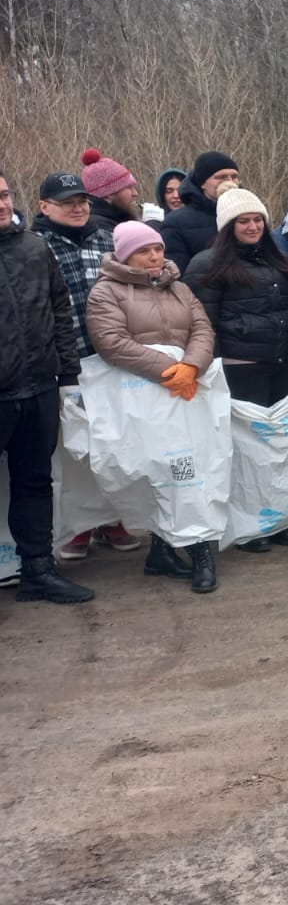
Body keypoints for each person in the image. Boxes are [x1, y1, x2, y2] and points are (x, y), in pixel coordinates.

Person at [85, 221, 220, 593]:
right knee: (162, 470)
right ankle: (185, 548)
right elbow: (110, 341)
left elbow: (202, 329)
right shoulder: (106, 293)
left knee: (190, 468)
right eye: (145, 251)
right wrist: (167, 370)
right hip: (140, 396)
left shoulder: (179, 288)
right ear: (126, 254)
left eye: (158, 249)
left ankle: (183, 549)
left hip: (187, 392)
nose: (155, 256)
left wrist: (192, 365)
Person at [186, 188, 288, 553]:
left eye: (258, 219)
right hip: (241, 368)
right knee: (245, 452)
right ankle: (249, 525)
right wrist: (211, 368)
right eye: (244, 221)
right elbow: (203, 324)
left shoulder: (278, 260)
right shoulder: (207, 264)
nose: (253, 226)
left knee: (279, 447)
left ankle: (279, 519)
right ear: (229, 226)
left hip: (283, 363)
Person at [32, 170, 140, 561]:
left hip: (110, 359)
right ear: (44, 207)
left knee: (112, 445)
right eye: (66, 203)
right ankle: (79, 526)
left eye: (81, 201)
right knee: (73, 451)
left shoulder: (105, 239)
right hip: (63, 362)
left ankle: (113, 519)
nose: (77, 208)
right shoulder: (35, 245)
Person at [0, 168, 95, 604]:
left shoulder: (34, 248)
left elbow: (61, 310)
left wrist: (67, 376)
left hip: (37, 386)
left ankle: (38, 569)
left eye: (3, 195)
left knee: (35, 482)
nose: (2, 205)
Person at [160, 151, 241, 275]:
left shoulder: (249, 214)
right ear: (202, 183)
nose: (230, 182)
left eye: (234, 176)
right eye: (221, 177)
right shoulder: (176, 223)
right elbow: (177, 274)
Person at [80, 149, 141, 236]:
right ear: (109, 194)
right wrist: (153, 223)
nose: (135, 193)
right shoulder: (100, 226)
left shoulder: (113, 219)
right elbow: (138, 248)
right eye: (129, 187)